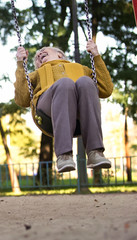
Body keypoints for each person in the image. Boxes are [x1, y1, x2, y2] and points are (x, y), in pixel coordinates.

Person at [14, 40, 113, 173]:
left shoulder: (82, 69)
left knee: (86, 82)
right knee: (64, 83)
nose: (39, 54)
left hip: (80, 114)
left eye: (44, 50)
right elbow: (22, 99)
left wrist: (96, 55)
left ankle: (95, 152)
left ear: (60, 54)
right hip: (47, 112)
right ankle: (64, 155)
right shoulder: (36, 74)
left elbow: (106, 89)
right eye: (36, 57)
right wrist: (21, 64)